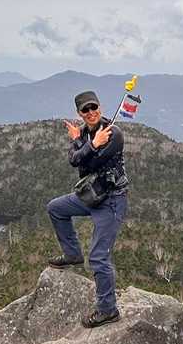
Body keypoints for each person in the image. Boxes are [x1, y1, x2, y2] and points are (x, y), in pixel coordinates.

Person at [46, 89, 130, 327]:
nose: (91, 112)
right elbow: (75, 161)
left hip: (111, 200)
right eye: (86, 110)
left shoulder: (113, 133)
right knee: (55, 208)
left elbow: (90, 163)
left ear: (100, 108)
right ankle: (72, 254)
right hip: (90, 195)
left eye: (94, 107)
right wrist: (85, 142)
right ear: (79, 113)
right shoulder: (83, 133)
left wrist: (87, 145)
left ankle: (108, 310)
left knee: (99, 257)